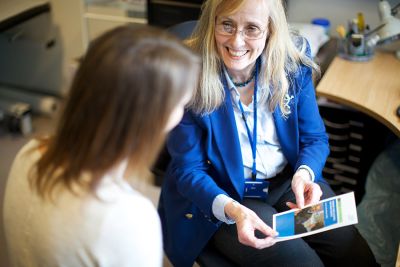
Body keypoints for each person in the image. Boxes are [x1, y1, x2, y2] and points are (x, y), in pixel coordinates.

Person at [158, 0, 378, 266]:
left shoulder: (292, 62)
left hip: (286, 183)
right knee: (304, 264)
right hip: (225, 195)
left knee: (354, 253)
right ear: (212, 23)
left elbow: (314, 138)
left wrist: (305, 174)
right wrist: (233, 211)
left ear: (271, 30)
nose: (237, 42)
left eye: (252, 28)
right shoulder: (189, 72)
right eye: (227, 24)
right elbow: (188, 170)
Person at [3, 25, 199, 267]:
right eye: (181, 104)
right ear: (151, 117)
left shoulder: (29, 154)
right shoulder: (128, 218)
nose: (181, 115)